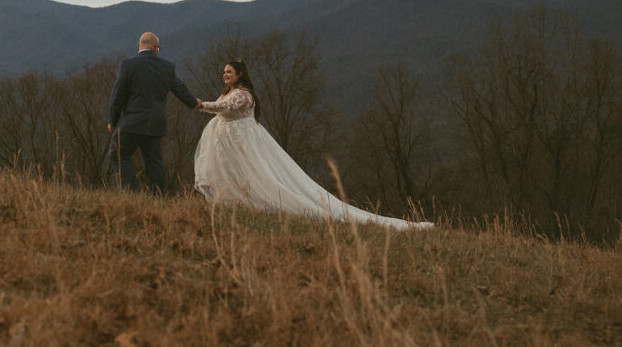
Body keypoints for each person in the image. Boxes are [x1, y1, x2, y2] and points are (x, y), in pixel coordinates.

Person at [194, 59, 433, 231]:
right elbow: (220, 106)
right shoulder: (230, 91)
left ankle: (258, 203)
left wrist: (199, 103)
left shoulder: (243, 94)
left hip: (244, 142)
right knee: (236, 174)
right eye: (224, 72)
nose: (224, 75)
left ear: (240, 74)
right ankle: (238, 202)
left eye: (229, 72)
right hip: (232, 144)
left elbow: (222, 108)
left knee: (258, 175)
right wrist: (204, 105)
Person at [107, 32, 200, 195]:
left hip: (132, 122)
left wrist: (112, 121)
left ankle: (131, 193)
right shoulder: (167, 67)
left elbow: (118, 95)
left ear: (139, 46)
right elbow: (180, 89)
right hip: (156, 122)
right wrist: (195, 103)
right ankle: (157, 196)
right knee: (154, 161)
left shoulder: (127, 65)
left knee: (118, 154)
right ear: (156, 48)